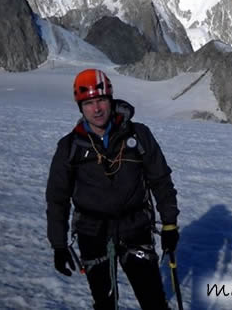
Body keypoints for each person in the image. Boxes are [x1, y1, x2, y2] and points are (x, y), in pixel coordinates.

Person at [46, 68, 179, 309]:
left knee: (154, 302)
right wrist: (58, 244)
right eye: (88, 103)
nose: (96, 109)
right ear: (80, 107)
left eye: (101, 101)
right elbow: (58, 198)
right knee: (105, 304)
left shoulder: (139, 136)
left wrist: (169, 224)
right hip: (92, 233)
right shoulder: (70, 147)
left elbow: (160, 180)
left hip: (135, 229)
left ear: (111, 100)